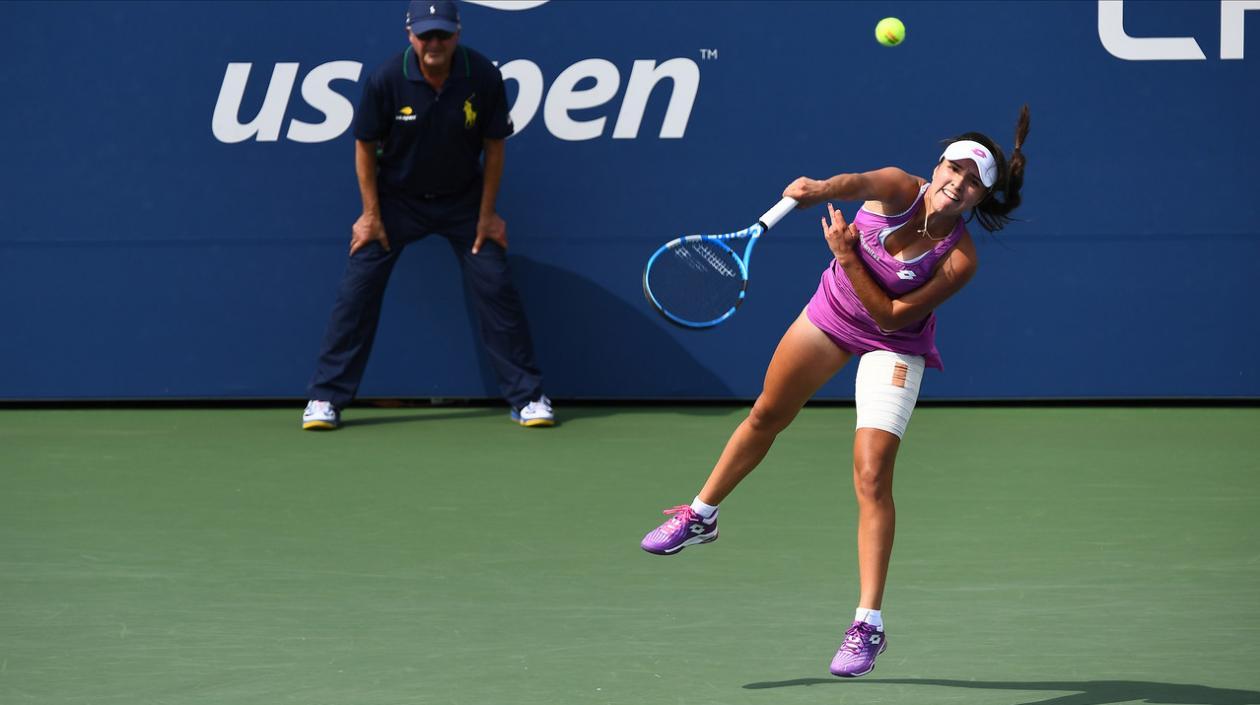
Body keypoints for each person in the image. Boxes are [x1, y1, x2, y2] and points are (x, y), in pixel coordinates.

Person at [640, 107, 1031, 678]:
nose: (957, 183)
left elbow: (895, 318)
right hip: (831, 315)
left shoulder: (961, 260)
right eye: (953, 168)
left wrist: (847, 256)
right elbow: (855, 184)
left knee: (872, 474)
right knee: (767, 415)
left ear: (980, 197)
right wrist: (819, 188)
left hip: (893, 345)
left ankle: (867, 625)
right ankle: (701, 515)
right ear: (938, 166)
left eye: (972, 182)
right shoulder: (900, 186)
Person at [302, 0, 553, 431]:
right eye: (425, 34)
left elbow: (495, 146)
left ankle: (528, 398)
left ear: (457, 33)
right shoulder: (386, 78)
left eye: (442, 34)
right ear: (410, 35)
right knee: (357, 289)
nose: (434, 43)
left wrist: (488, 214)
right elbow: (364, 145)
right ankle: (326, 397)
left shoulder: (483, 76)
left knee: (495, 285)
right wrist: (370, 215)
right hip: (397, 201)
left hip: (463, 202)